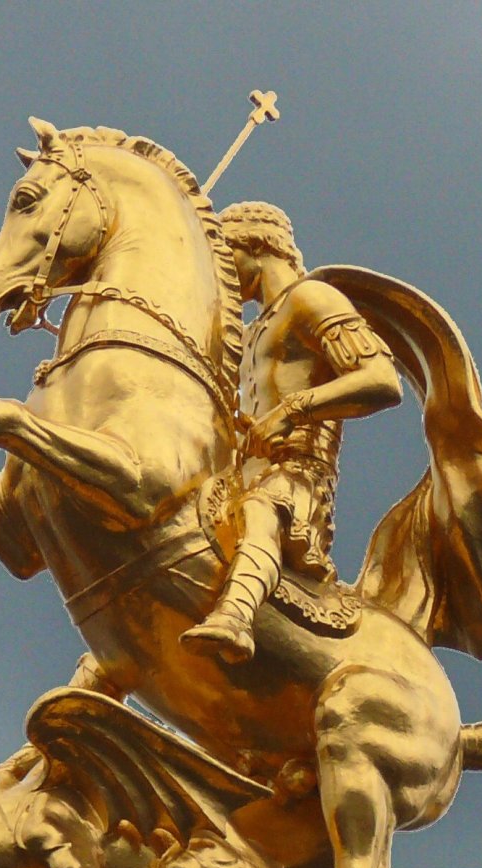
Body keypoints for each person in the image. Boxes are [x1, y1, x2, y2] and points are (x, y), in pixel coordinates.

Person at [183, 202, 403, 662]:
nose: (221, 273)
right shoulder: (250, 331)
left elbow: (381, 380)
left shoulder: (312, 299)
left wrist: (293, 411)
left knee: (263, 515)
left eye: (227, 256)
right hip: (244, 472)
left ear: (258, 246)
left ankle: (236, 619)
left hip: (297, 475)